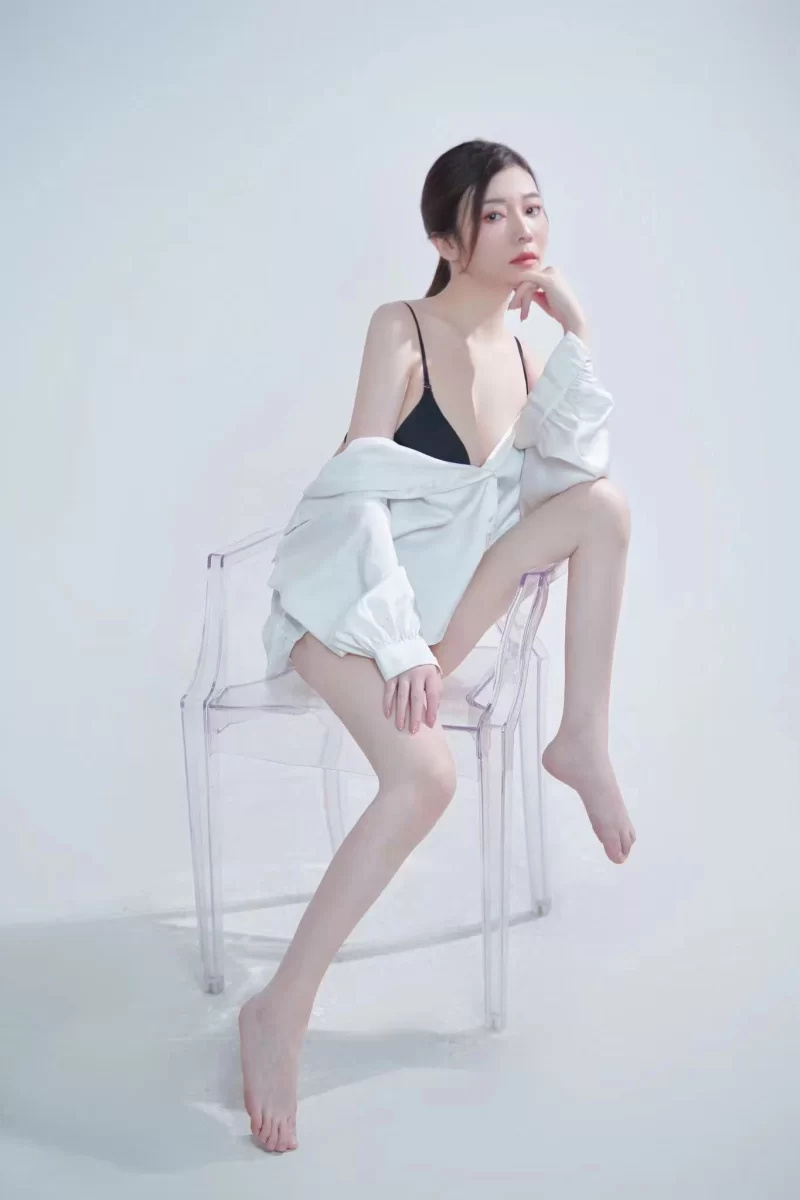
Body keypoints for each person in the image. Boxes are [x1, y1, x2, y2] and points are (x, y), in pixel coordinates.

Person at [239, 139, 635, 1154]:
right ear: (445, 239)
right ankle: (279, 1008)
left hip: (441, 608)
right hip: (346, 599)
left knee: (604, 507)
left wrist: (577, 333)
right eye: (494, 213)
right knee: (424, 778)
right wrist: (396, 647)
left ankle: (580, 737)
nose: (523, 229)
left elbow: (567, 475)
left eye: (532, 208)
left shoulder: (526, 355)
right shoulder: (401, 327)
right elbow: (356, 501)